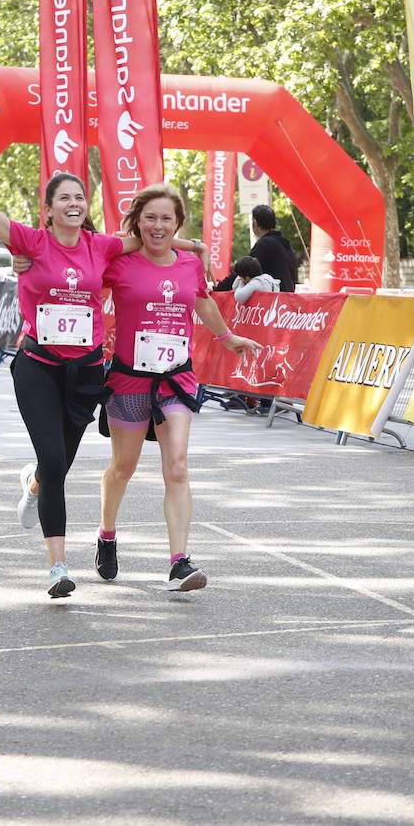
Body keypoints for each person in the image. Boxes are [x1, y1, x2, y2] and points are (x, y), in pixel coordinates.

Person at [0, 127, 204, 598]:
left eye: (80, 196)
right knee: (56, 460)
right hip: (38, 366)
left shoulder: (100, 246)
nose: (74, 203)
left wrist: (187, 247)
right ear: (49, 209)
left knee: (56, 464)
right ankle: (58, 567)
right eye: (65, 197)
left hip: (84, 372)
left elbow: (149, 240)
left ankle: (36, 482)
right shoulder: (27, 242)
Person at [97, 184, 262, 590]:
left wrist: (228, 338)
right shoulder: (119, 260)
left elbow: (202, 302)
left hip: (177, 378)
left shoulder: (189, 265)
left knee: (178, 467)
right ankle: (106, 534)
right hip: (129, 378)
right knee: (124, 467)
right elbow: (86, 287)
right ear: (137, 221)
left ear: (178, 223)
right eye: (150, 217)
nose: (158, 225)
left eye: (166, 218)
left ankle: (179, 561)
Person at [247, 204, 300, 292]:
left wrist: (220, 288)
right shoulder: (285, 244)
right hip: (287, 299)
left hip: (272, 301)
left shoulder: (265, 244)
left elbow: (245, 270)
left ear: (255, 223)